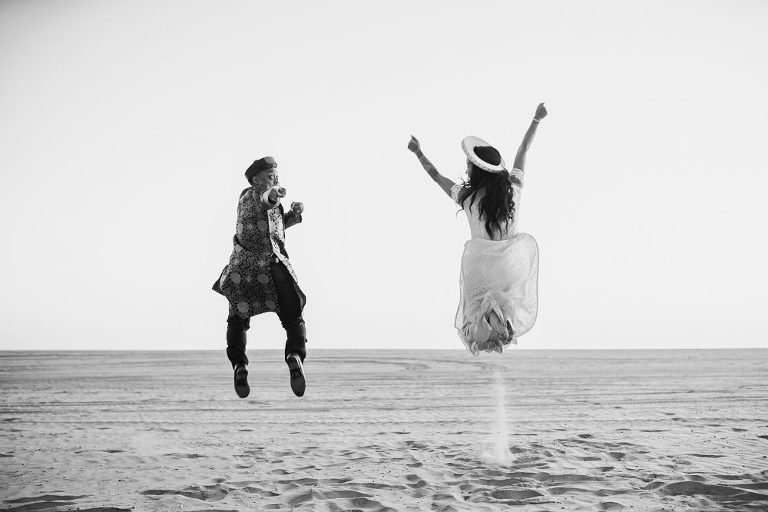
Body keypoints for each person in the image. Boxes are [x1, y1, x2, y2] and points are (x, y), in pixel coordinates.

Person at [408, 103, 547, 355]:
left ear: (478, 171)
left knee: (473, 315)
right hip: (507, 262)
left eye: (469, 165)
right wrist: (536, 120)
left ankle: (487, 331)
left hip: (479, 264)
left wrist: (418, 152)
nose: (466, 168)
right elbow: (523, 149)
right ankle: (500, 327)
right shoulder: (512, 191)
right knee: (503, 304)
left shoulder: (468, 198)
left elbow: (436, 175)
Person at [212, 156, 308, 397]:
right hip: (270, 266)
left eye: (276, 175)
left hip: (241, 271)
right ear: (256, 179)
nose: (274, 179)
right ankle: (294, 354)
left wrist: (292, 217)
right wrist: (274, 193)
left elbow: (269, 228)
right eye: (269, 175)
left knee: (237, 318)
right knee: (293, 313)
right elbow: (266, 199)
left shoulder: (252, 202)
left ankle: (239, 364)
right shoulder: (254, 194)